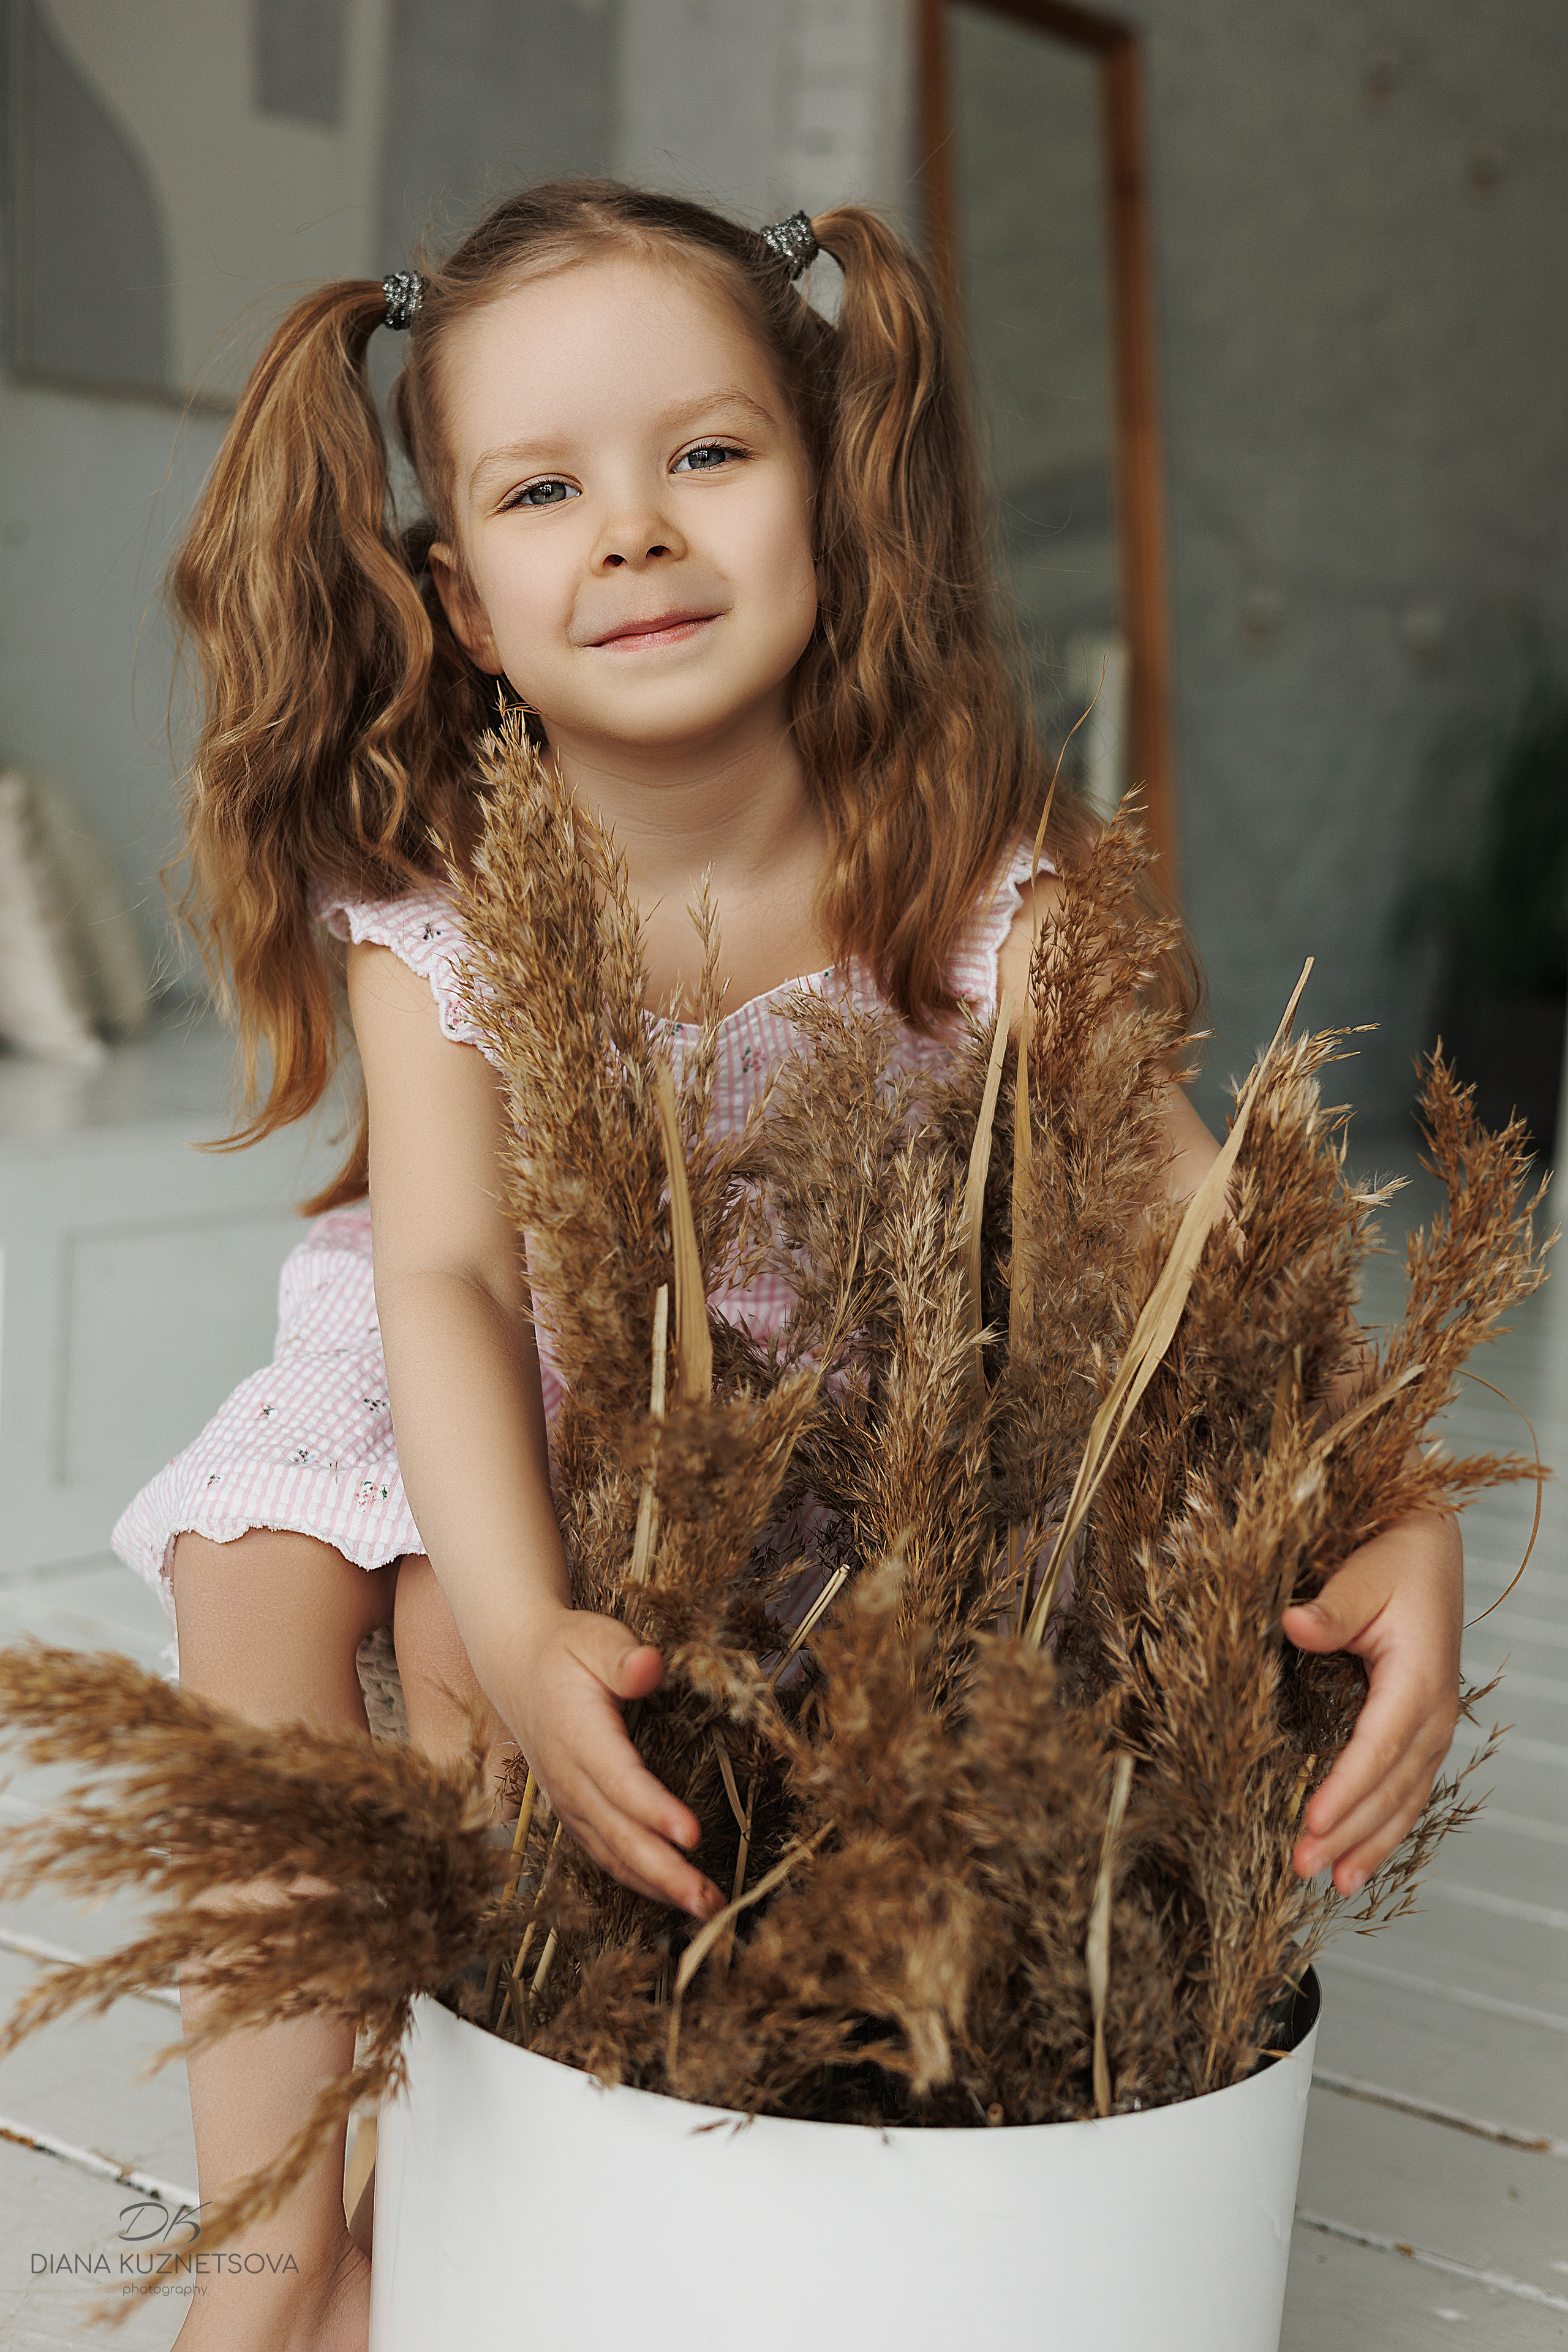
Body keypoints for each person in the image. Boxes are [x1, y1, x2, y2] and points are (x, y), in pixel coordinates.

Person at [111, 181, 1462, 2352]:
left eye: (708, 455)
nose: (634, 533)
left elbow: (1210, 1232)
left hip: (808, 1438)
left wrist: (1393, 1511)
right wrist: (536, 1596)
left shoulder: (964, 871)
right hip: (484, 1381)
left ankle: (511, 2169)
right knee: (276, 1571)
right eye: (548, 490)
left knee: (504, 1673)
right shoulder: (445, 897)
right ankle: (272, 2266)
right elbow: (447, 1283)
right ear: (463, 601)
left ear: (832, 499)